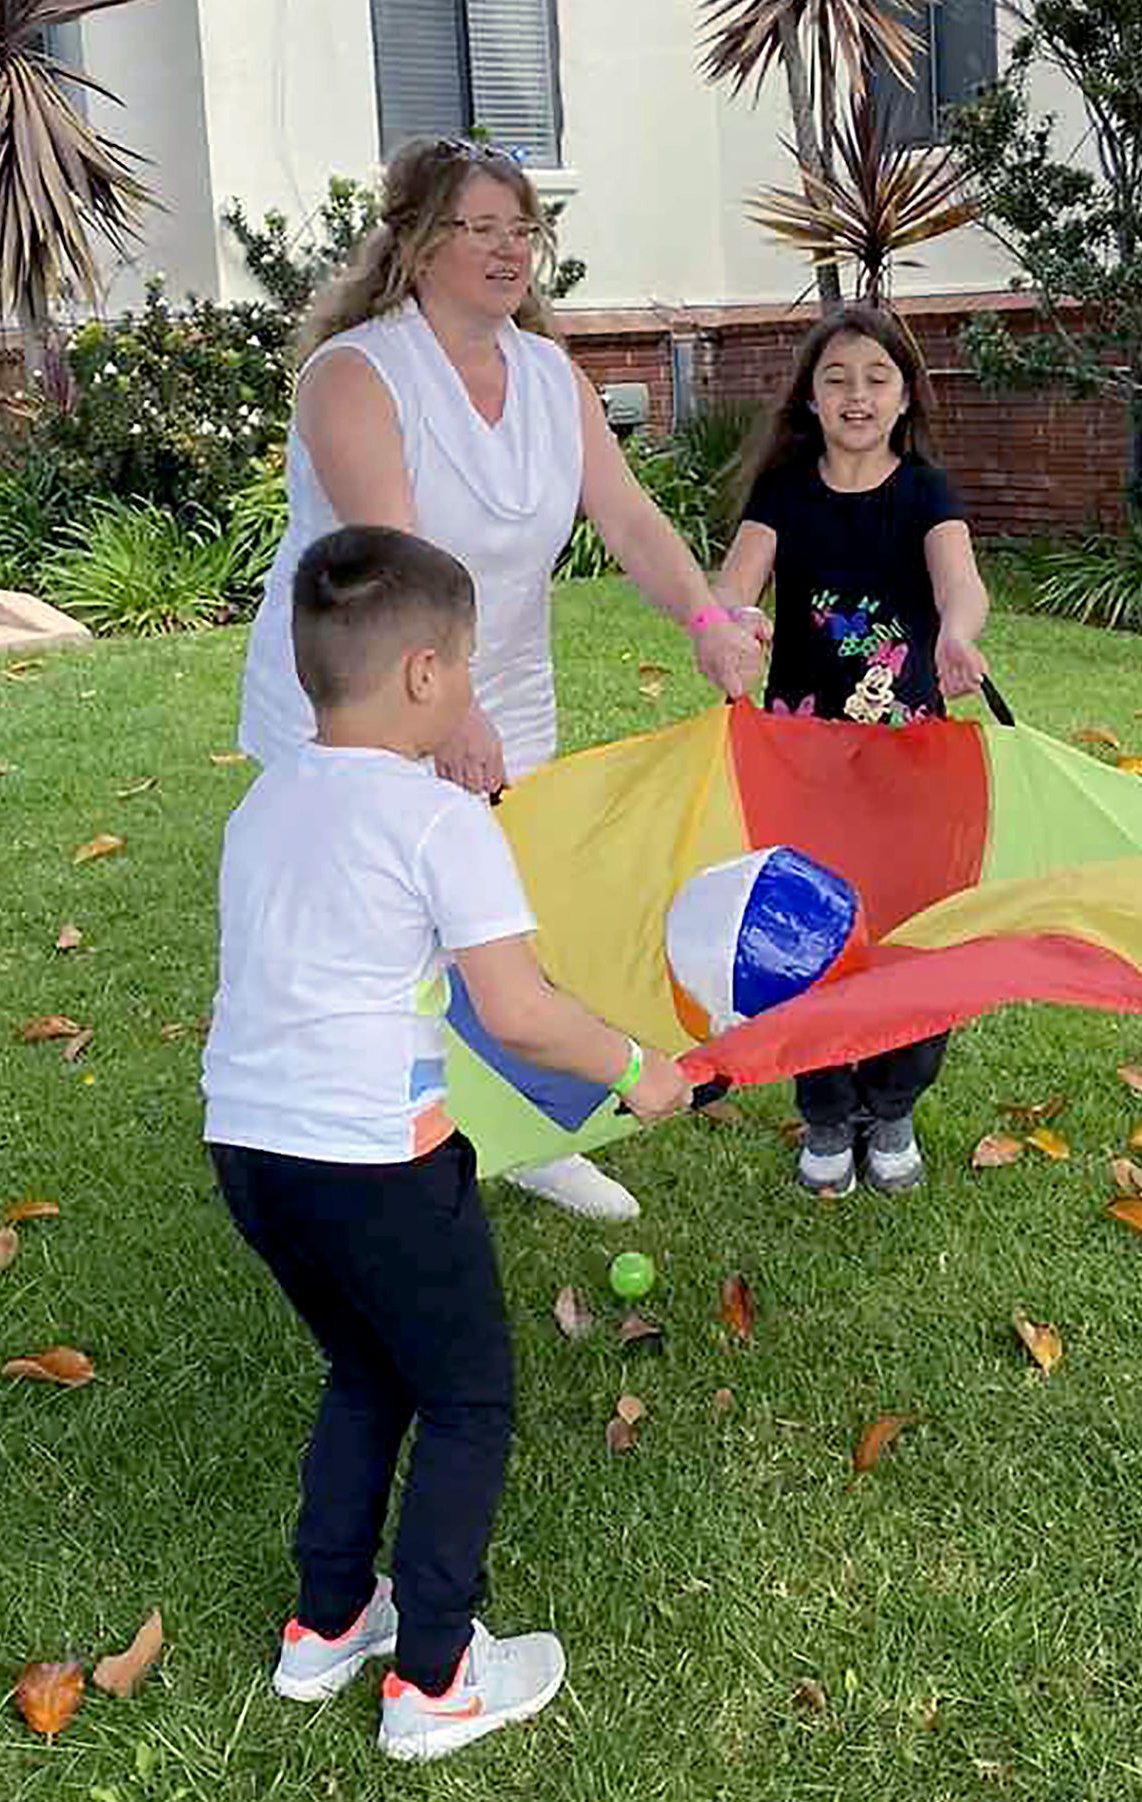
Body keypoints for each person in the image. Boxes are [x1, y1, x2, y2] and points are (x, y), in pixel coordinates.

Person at [204, 527, 692, 1760]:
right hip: (380, 1160)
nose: (472, 689)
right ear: (425, 673)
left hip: (251, 1153)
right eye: (469, 666)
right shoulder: (437, 823)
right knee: (467, 1398)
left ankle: (326, 1625)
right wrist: (641, 1072)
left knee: (364, 1369)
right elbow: (520, 1009)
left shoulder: (263, 801)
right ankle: (433, 1677)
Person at [237, 134, 765, 1225]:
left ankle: (517, 1128)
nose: (508, 248)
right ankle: (343, 1129)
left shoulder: (547, 375)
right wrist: (451, 714)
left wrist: (707, 617)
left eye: (522, 228)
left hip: (496, 682)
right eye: (480, 227)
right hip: (359, 697)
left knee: (492, 917)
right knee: (376, 925)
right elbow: (392, 552)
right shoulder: (355, 376)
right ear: (418, 243)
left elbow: (624, 515)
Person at [707, 304, 993, 1197]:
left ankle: (895, 1101)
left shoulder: (926, 492)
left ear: (906, 395)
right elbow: (736, 583)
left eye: (876, 378)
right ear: (811, 397)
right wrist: (734, 622)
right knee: (808, 931)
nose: (856, 395)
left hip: (911, 758)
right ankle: (827, 1111)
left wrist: (957, 635)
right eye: (836, 379)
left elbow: (961, 582)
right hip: (803, 759)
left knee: (912, 935)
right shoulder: (786, 492)